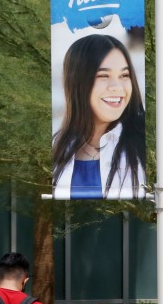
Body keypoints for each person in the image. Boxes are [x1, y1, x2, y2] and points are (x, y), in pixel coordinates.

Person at [50, 33, 148, 199]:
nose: (117, 87)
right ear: (77, 81)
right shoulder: (56, 146)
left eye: (124, 75)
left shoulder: (145, 142)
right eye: (103, 76)